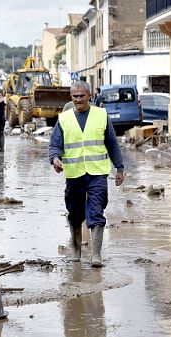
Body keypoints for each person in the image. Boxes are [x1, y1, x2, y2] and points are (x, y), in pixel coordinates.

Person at [48, 80, 125, 267]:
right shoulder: (64, 119)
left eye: (82, 96)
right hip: (74, 174)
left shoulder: (101, 115)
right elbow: (55, 145)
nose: (78, 99)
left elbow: (112, 143)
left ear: (90, 96)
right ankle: (76, 249)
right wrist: (55, 159)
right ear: (71, 97)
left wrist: (119, 168)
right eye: (75, 96)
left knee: (96, 211)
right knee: (75, 213)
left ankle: (96, 255)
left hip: (97, 173)